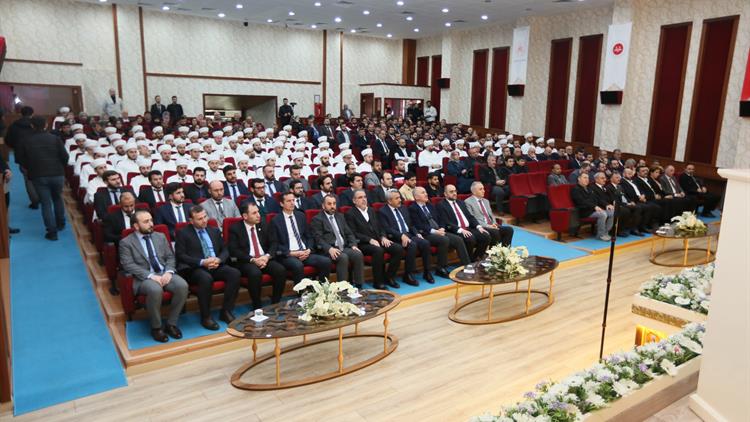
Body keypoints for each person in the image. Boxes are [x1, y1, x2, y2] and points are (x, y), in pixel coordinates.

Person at [119, 209, 189, 342]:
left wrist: (169, 271)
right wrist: (151, 275)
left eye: (151, 220)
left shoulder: (160, 236)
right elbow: (128, 265)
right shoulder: (126, 242)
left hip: (163, 272)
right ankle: (156, 327)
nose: (151, 224)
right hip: (143, 277)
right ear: (136, 226)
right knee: (155, 289)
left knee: (182, 286)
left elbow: (170, 257)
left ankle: (171, 323)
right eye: (146, 222)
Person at [175, 205, 241, 330]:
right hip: (195, 268)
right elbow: (181, 255)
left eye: (205, 217)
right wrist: (202, 262)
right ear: (191, 221)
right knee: (205, 278)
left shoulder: (214, 230)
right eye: (200, 219)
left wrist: (219, 259)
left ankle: (226, 311)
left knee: (234, 273)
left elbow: (225, 249)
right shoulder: (183, 233)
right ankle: (206, 317)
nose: (204, 220)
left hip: (215, 264)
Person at [14, 116, 69, 240]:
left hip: (38, 175)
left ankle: (52, 232)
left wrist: (31, 167)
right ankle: (61, 223)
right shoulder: (55, 139)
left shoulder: (25, 140)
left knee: (45, 203)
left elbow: (20, 159)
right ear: (46, 125)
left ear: (32, 126)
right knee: (57, 198)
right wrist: (60, 168)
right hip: (57, 173)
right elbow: (65, 157)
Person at [228, 202, 287, 310]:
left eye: (258, 212)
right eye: (254, 213)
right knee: (255, 273)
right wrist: (253, 260)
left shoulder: (264, 224)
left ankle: (275, 302)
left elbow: (274, 242)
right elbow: (234, 250)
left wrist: (267, 256)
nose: (258, 215)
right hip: (247, 261)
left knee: (280, 270)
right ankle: (257, 306)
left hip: (264, 258)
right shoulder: (235, 228)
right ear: (245, 216)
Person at [345, 189, 403, 289]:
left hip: (378, 240)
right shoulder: (350, 213)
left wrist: (383, 237)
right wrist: (369, 240)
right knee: (378, 250)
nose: (363, 199)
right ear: (354, 201)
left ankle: (389, 277)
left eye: (365, 197)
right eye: (360, 197)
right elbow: (353, 233)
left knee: (398, 248)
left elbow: (381, 227)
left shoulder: (371, 210)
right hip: (363, 244)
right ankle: (378, 282)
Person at [272, 192, 331, 282]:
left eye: (293, 200)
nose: (292, 203)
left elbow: (309, 236)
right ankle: (301, 290)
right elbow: (275, 243)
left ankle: (322, 288)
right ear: (281, 204)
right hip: (289, 255)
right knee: (298, 265)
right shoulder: (276, 220)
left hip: (304, 252)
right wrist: (291, 253)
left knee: (325, 261)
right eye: (289, 201)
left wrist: (309, 249)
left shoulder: (301, 216)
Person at [379, 189, 433, 286]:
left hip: (408, 234)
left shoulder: (403, 208)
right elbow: (387, 229)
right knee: (412, 245)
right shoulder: (383, 211)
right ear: (389, 201)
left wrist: (417, 233)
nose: (400, 200)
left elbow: (410, 224)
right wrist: (401, 236)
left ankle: (427, 272)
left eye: (399, 197)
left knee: (425, 243)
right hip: (395, 237)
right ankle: (408, 275)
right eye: (397, 198)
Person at [409, 187, 469, 272]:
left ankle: (467, 265)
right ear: (416, 197)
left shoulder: (430, 205)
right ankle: (441, 267)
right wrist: (435, 232)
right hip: (426, 234)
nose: (426, 194)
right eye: (423, 193)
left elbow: (441, 219)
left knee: (458, 239)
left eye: (426, 192)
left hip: (439, 230)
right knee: (444, 240)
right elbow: (419, 225)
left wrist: (442, 228)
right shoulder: (413, 208)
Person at [310, 195, 365, 288]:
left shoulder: (340, 216)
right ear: (323, 206)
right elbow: (318, 238)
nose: (332, 206)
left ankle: (359, 285)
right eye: (329, 204)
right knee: (343, 257)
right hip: (329, 249)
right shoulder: (317, 219)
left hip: (343, 247)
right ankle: (342, 288)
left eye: (334, 203)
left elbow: (349, 233)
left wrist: (353, 245)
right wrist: (329, 248)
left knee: (358, 254)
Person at [436, 184, 491, 260]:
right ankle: (468, 261)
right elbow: (446, 222)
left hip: (468, 228)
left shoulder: (461, 202)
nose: (454, 193)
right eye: (451, 192)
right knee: (470, 238)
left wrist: (479, 227)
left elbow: (470, 216)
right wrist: (461, 230)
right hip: (455, 230)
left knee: (486, 236)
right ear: (445, 194)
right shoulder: (441, 205)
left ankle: (475, 258)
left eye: (455, 191)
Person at [5, 106, 39, 209]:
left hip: (22, 155)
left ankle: (35, 201)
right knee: (40, 176)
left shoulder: (14, 125)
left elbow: (8, 140)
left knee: (28, 178)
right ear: (32, 114)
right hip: (38, 154)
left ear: (20, 114)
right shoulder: (36, 124)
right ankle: (41, 197)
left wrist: (16, 147)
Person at [464, 182, 514, 247]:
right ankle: (493, 251)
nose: (483, 191)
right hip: (481, 226)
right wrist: (488, 226)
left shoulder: (486, 201)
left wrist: (494, 223)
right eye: (480, 189)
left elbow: (491, 215)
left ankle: (504, 251)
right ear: (474, 192)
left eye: (483, 189)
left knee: (509, 230)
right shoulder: (468, 202)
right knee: (495, 232)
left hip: (491, 225)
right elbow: (472, 218)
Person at [571, 173, 613, 241]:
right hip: (585, 211)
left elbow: (598, 199)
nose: (587, 179)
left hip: (593, 210)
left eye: (588, 178)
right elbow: (582, 201)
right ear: (579, 179)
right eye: (585, 177)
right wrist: (594, 206)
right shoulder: (576, 189)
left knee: (612, 212)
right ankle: (600, 235)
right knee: (602, 214)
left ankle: (606, 232)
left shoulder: (589, 188)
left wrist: (607, 205)